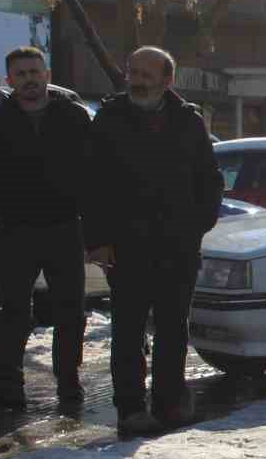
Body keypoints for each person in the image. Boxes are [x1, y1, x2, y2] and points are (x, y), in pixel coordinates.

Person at [85, 47, 223, 438]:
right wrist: (98, 240)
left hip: (177, 247)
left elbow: (209, 180)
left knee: (173, 330)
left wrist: (197, 225)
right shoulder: (109, 119)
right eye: (133, 72)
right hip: (125, 248)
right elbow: (89, 184)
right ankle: (130, 410)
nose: (138, 80)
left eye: (147, 74)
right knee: (128, 332)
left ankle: (169, 404)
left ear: (167, 80)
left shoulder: (187, 120)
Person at [0, 48, 90, 409]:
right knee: (12, 311)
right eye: (20, 74)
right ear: (10, 80)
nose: (29, 79)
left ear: (47, 73)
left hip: (65, 227)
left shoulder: (73, 116)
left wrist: (98, 226)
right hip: (16, 229)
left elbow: (96, 172)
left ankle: (69, 385)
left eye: (34, 71)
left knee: (70, 311)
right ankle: (8, 384)